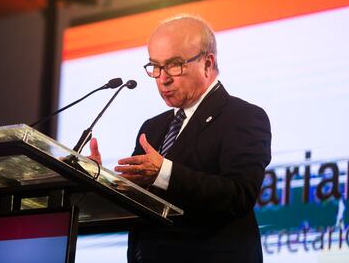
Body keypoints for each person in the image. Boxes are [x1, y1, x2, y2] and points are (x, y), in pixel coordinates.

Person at [89, 14, 271, 263]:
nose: (163, 78)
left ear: (208, 63)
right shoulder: (153, 127)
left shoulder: (243, 117)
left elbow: (239, 195)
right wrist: (97, 182)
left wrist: (164, 172)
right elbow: (137, 203)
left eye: (174, 64)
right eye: (155, 66)